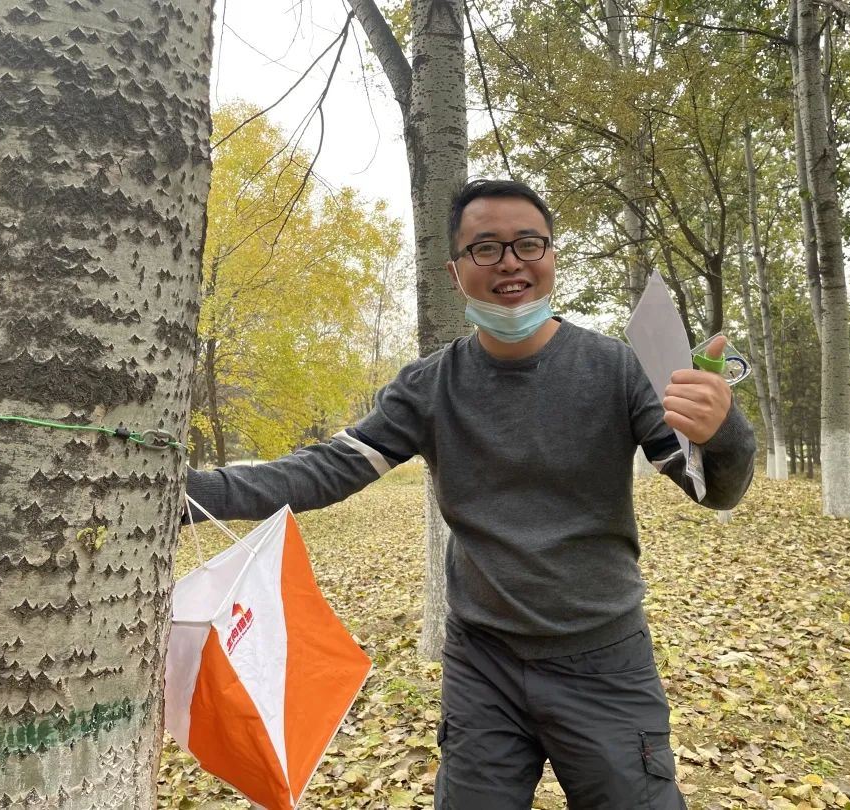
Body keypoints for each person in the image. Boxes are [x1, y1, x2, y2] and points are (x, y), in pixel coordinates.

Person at [185, 178, 756, 809]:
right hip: (483, 667)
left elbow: (715, 491)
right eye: (485, 248)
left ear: (552, 256)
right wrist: (180, 493)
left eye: (528, 244)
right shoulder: (430, 386)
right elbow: (327, 469)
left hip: (604, 660)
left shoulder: (617, 369)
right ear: (457, 272)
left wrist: (722, 431)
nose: (510, 263)